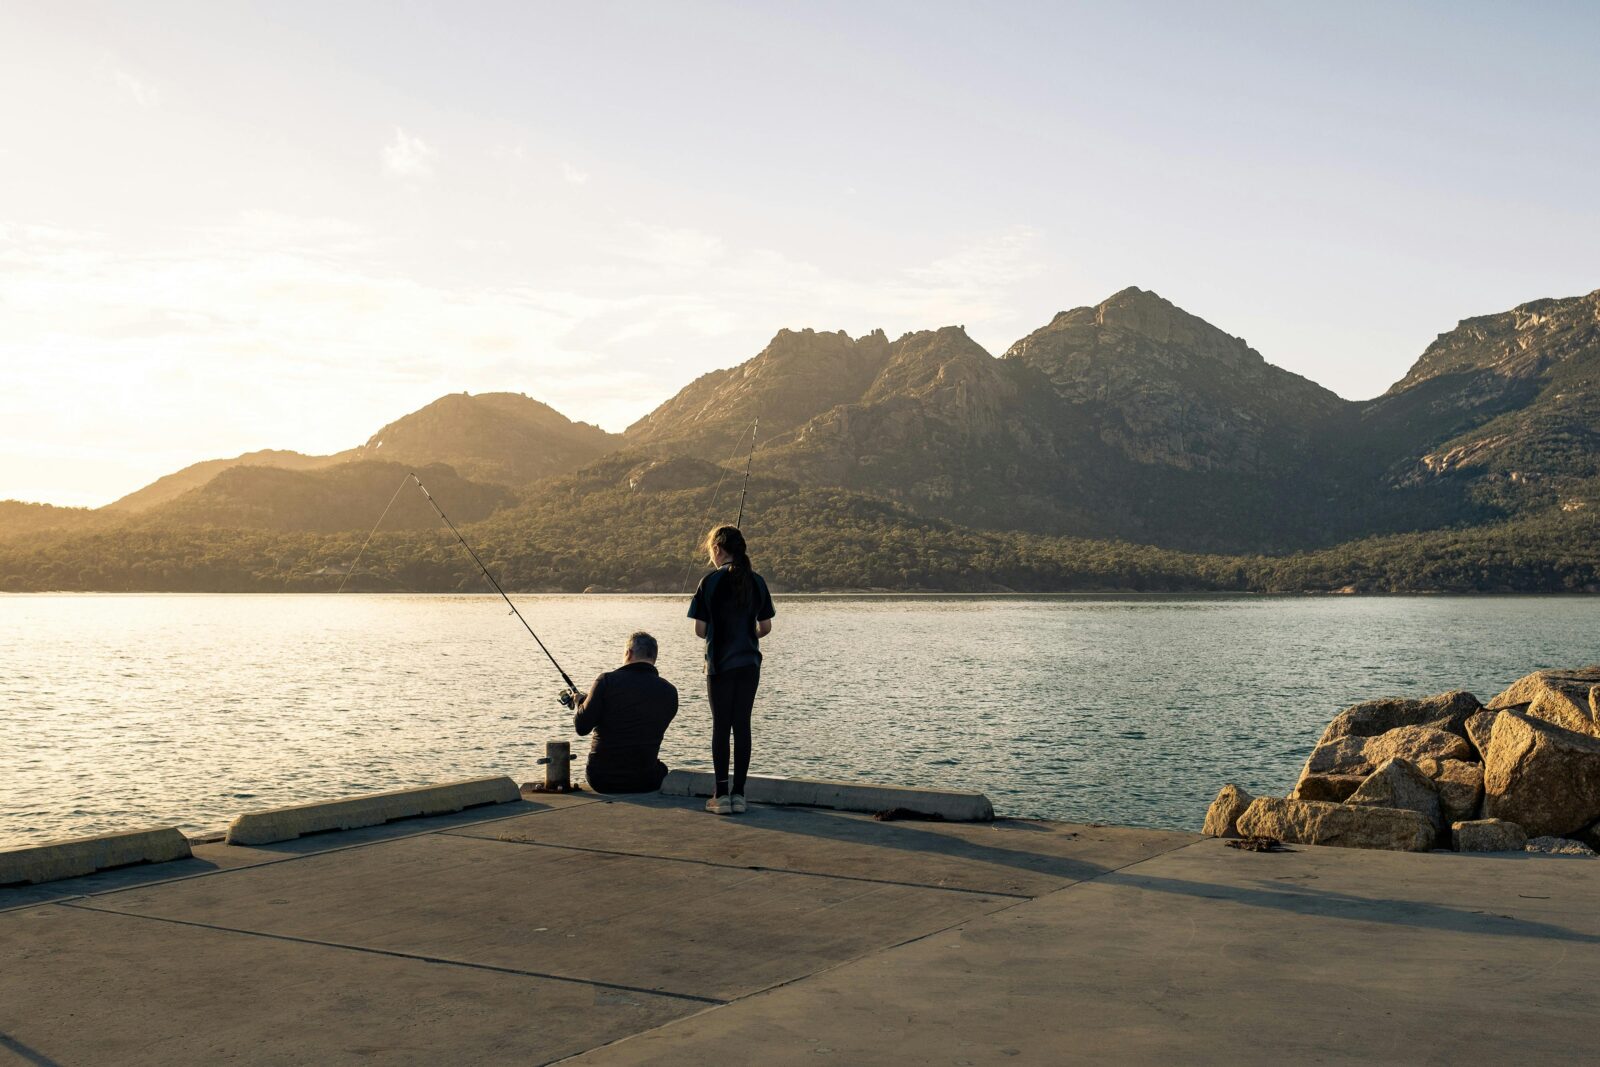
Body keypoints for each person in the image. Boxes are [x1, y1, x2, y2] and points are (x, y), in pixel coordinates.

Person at [687, 525, 775, 815]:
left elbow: (700, 630)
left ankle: (721, 795)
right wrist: (748, 635)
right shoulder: (757, 581)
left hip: (720, 665)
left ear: (717, 549)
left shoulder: (710, 582)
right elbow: (765, 627)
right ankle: (739, 795)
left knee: (721, 727)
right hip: (749, 664)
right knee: (742, 725)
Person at [570, 631, 679, 793]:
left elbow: (582, 727)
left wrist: (581, 703)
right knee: (662, 768)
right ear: (654, 658)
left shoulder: (606, 681)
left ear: (628, 653)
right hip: (646, 780)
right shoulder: (669, 691)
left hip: (602, 779)